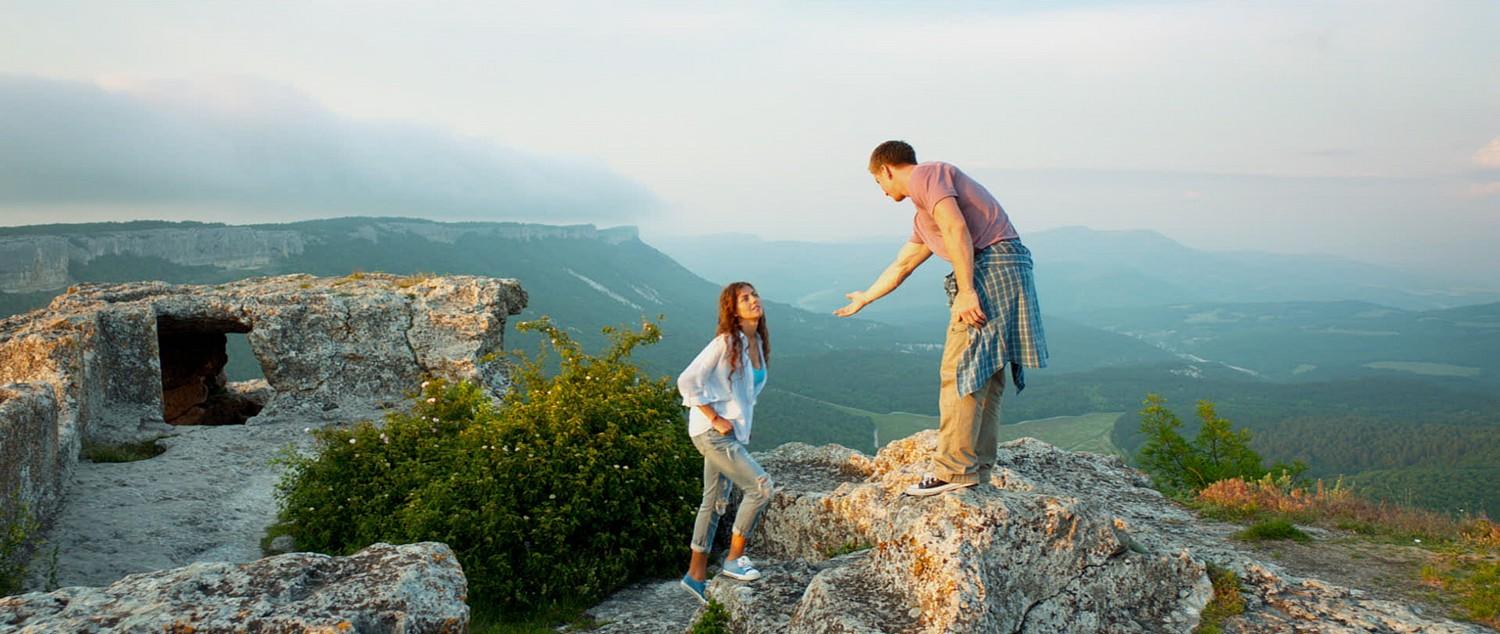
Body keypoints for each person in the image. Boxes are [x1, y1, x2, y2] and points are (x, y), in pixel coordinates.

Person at [835, 140, 1048, 496]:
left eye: (879, 184)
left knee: (959, 371)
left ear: (887, 170)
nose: (884, 193)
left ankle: (952, 471)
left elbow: (956, 229)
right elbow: (903, 264)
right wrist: (866, 297)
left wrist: (967, 291)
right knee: (987, 374)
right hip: (1007, 267)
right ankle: (976, 467)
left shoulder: (927, 175)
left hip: (990, 270)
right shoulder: (923, 214)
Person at [677, 281, 774, 604]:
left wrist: (740, 424)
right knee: (760, 487)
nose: (753, 300)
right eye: (744, 298)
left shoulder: (756, 342)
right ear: (732, 310)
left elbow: (745, 394)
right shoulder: (725, 341)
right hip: (710, 432)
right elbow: (687, 381)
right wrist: (716, 417)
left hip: (728, 435)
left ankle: (695, 575)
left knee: (715, 502)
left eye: (754, 295)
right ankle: (734, 559)